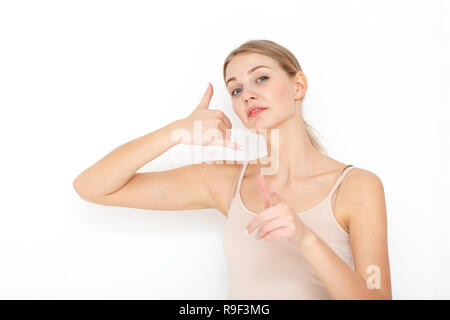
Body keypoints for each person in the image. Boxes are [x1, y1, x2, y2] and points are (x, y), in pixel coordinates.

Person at [73, 39, 392, 300]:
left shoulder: (356, 187)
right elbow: (93, 187)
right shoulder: (225, 182)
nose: (247, 94)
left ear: (298, 86)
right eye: (236, 89)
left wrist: (306, 237)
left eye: (261, 78)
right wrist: (175, 132)